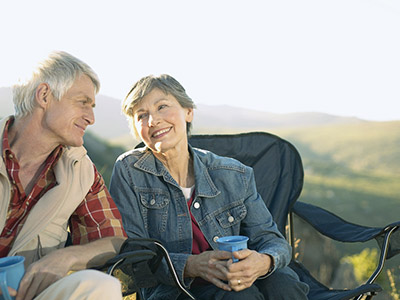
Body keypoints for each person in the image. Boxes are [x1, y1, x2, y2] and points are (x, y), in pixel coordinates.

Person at [109, 74, 309, 300]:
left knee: (283, 284)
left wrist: (264, 262)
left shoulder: (234, 174)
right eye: (141, 115)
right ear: (136, 129)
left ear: (188, 111)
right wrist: (191, 265)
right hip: (176, 290)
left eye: (162, 106)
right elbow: (132, 256)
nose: (152, 120)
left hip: (239, 277)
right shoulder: (129, 172)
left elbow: (272, 241)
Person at [0, 51, 127, 300]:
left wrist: (66, 257)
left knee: (100, 287)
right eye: (82, 102)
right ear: (44, 95)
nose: (91, 118)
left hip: (28, 294)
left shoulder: (81, 170)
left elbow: (114, 241)